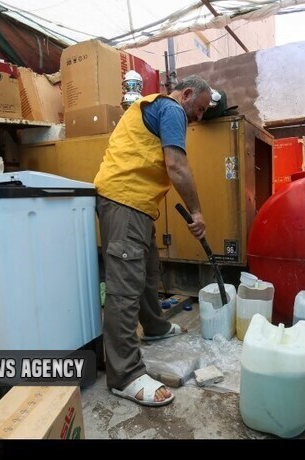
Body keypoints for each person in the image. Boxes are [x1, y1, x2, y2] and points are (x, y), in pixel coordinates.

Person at [94, 75, 212, 407]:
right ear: (186, 94)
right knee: (124, 290)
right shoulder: (172, 108)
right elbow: (176, 166)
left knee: (147, 275)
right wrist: (197, 212)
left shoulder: (153, 106)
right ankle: (125, 375)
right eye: (200, 109)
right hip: (125, 201)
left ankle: (156, 327)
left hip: (137, 204)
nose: (199, 117)